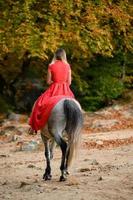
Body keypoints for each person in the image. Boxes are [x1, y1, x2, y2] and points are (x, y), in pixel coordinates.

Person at [29, 48, 74, 132]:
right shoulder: (67, 66)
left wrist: (55, 81)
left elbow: (48, 81)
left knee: (39, 103)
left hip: (54, 90)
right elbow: (69, 82)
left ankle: (33, 128)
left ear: (55, 55)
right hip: (65, 90)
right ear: (64, 56)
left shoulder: (51, 65)